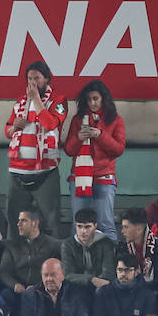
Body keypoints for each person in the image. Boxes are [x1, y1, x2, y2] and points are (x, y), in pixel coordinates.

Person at [5, 60, 68, 235]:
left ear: (47, 79)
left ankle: (52, 261)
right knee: (13, 220)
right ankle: (13, 260)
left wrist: (36, 100)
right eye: (30, 79)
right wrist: (14, 126)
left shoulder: (58, 100)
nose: (33, 83)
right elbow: (8, 130)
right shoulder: (20, 101)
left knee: (50, 221)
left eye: (37, 78)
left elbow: (50, 124)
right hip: (18, 170)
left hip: (45, 171)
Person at [63, 80, 126, 241]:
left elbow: (119, 149)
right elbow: (69, 150)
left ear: (104, 99)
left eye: (96, 98)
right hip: (79, 178)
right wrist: (78, 138)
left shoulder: (115, 120)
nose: (92, 103)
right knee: (78, 225)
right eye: (89, 99)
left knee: (106, 224)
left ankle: (111, 265)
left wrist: (101, 136)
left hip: (104, 178)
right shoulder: (78, 120)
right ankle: (76, 264)